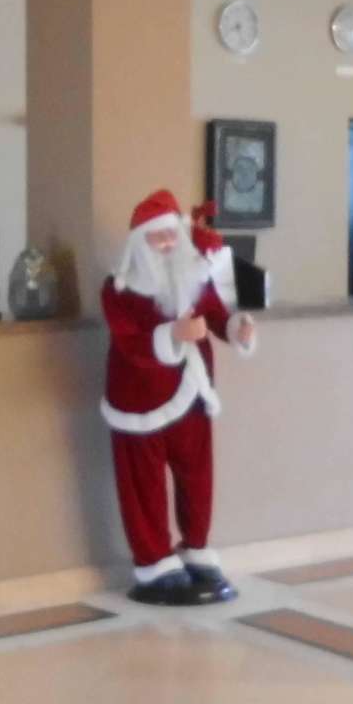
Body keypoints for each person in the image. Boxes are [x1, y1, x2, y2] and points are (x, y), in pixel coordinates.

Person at [101, 189, 259, 604]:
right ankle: (154, 561)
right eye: (159, 237)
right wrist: (172, 333)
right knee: (144, 484)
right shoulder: (119, 289)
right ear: (140, 243)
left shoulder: (194, 275)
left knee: (197, 476)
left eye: (173, 234)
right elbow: (129, 342)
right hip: (139, 402)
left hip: (192, 394)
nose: (169, 244)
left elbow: (217, 315)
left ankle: (196, 549)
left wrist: (237, 329)